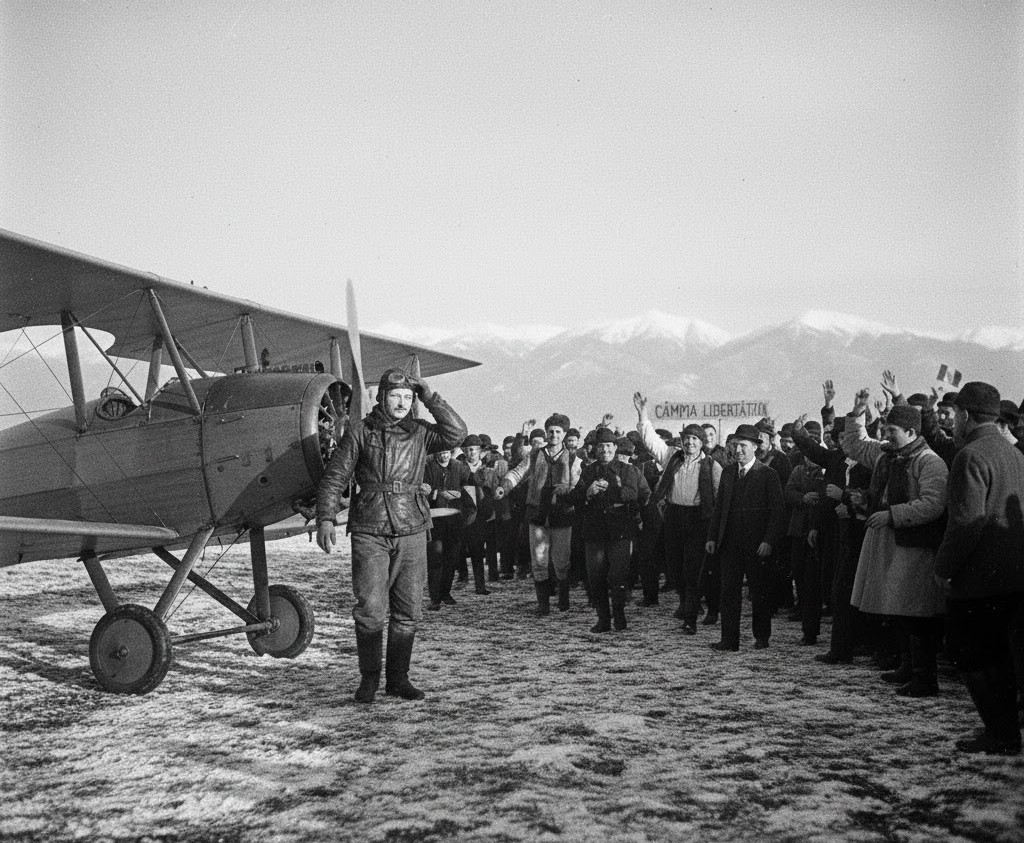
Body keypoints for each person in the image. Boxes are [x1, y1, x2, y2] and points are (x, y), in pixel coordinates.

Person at [316, 369, 467, 703]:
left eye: (408, 397)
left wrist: (430, 396)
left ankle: (398, 679)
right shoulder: (360, 431)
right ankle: (369, 679)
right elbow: (335, 477)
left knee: (409, 610)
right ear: (382, 396)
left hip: (412, 527)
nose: (402, 403)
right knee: (370, 608)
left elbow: (457, 433)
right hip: (370, 529)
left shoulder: (421, 433)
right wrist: (326, 517)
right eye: (396, 396)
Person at [935, 382, 1024, 755]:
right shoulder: (1015, 454)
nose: (953, 421)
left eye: (955, 414)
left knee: (971, 657)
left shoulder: (970, 456)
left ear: (966, 415)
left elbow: (967, 522)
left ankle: (1001, 734)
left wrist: (943, 568)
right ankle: (1005, 733)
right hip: (1014, 576)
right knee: (1000, 658)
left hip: (977, 580)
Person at [842, 391, 948, 698]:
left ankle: (924, 677)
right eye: (885, 431)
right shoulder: (887, 455)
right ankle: (906, 665)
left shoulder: (930, 462)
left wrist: (892, 515)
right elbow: (855, 443)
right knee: (898, 607)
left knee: (915, 610)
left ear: (912, 433)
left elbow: (933, 504)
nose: (885, 436)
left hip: (913, 544)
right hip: (889, 540)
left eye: (892, 432)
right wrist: (857, 414)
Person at [634, 392, 722, 634]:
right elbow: (650, 441)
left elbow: (721, 495)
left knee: (692, 569)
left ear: (702, 442)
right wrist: (642, 414)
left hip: (698, 520)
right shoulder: (673, 458)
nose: (690, 443)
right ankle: (686, 603)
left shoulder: (713, 466)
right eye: (687, 439)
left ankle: (690, 618)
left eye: (695, 439)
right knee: (674, 568)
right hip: (673, 516)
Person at [705, 423, 786, 651]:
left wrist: (768, 541)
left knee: (759, 593)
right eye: (735, 445)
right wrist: (712, 537)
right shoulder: (729, 472)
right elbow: (719, 508)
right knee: (728, 593)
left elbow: (778, 512)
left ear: (754, 447)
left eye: (743, 445)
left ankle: (761, 637)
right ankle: (729, 640)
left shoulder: (768, 475)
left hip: (757, 546)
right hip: (730, 545)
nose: (737, 450)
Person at [496, 413, 582, 615]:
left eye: (558, 432)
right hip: (537, 514)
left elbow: (578, 484)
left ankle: (563, 598)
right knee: (539, 561)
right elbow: (517, 472)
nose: (554, 435)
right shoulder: (535, 455)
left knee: (562, 561)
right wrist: (504, 486)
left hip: (562, 514)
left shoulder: (574, 459)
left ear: (564, 434)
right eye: (550, 431)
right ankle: (543, 605)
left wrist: (567, 491)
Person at [570, 427, 651, 632]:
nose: (604, 450)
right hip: (594, 530)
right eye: (600, 447)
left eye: (608, 446)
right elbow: (575, 496)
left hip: (620, 530)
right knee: (595, 576)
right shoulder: (588, 471)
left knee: (617, 576)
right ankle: (603, 619)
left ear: (615, 448)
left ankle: (620, 617)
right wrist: (588, 492)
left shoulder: (628, 470)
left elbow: (632, 494)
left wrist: (610, 488)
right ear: (595, 450)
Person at [423, 448, 474, 610]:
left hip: (454, 519)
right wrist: (436, 494)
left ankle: (446, 593)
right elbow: (423, 490)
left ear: (451, 452)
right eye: (440, 451)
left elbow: (468, 489)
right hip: (435, 520)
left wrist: (459, 494)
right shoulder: (428, 467)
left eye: (446, 451)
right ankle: (435, 598)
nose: (443, 454)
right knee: (435, 558)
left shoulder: (460, 467)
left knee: (451, 558)